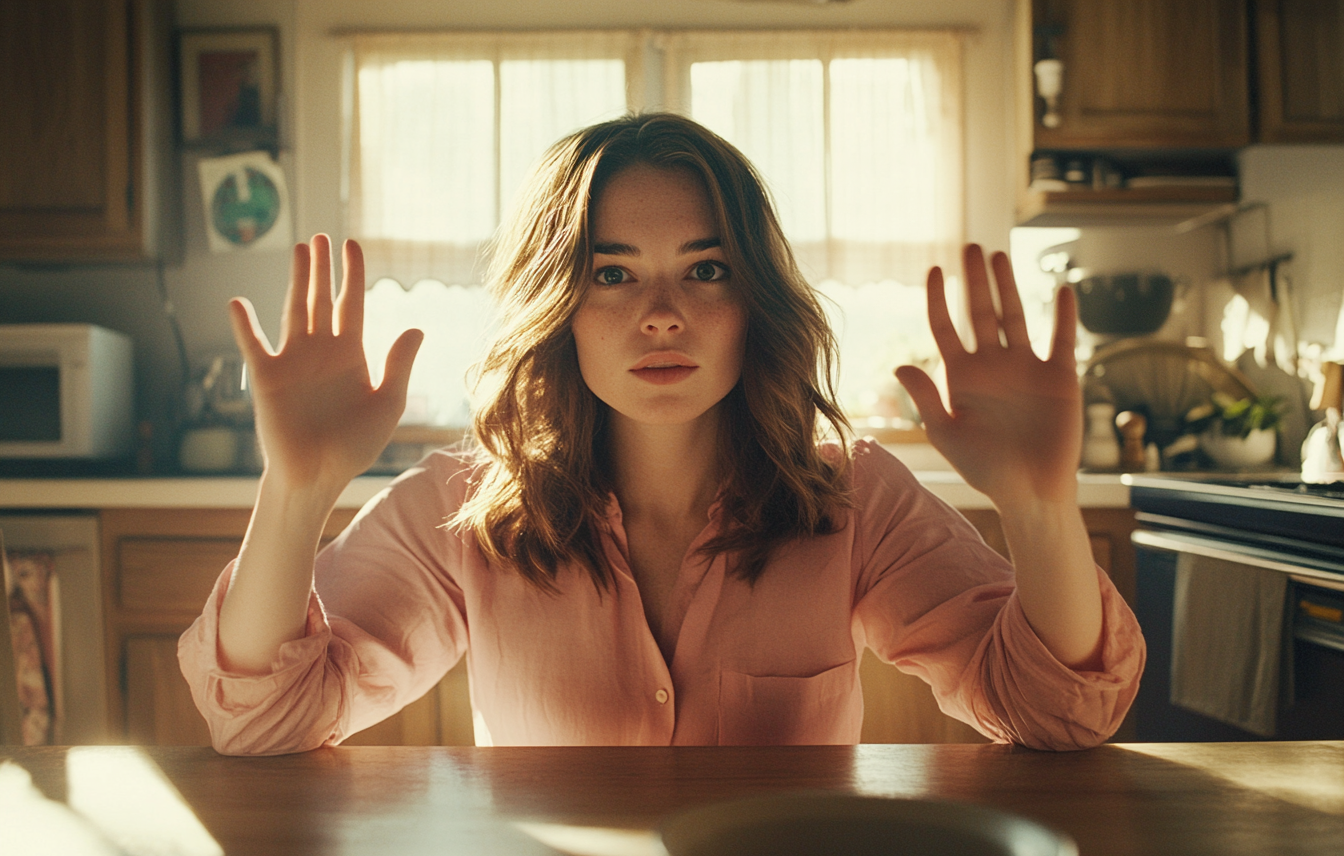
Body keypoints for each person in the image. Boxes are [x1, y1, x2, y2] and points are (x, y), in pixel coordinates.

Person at [179, 112, 1143, 754]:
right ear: (556, 304)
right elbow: (265, 720)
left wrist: (1039, 505)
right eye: (611, 273)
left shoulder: (854, 496)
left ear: (753, 300)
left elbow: (1053, 714)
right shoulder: (456, 507)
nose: (662, 313)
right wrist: (297, 488)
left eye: (707, 270)